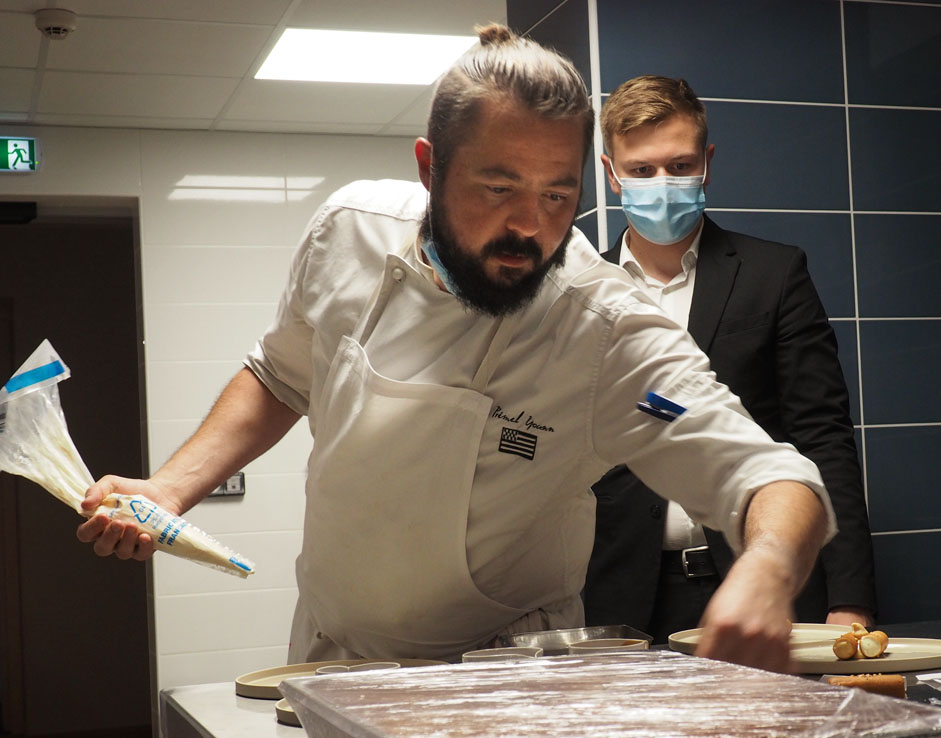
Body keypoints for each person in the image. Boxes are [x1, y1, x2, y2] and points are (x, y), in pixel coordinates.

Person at [75, 27, 836, 673]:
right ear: (429, 168)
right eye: (498, 188)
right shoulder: (349, 231)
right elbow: (281, 375)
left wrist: (768, 567)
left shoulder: (604, 333)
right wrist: (172, 487)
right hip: (331, 650)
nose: (529, 228)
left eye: (557, 195)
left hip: (500, 673)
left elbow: (772, 475)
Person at [585, 76, 876, 642]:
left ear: (707, 163)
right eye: (642, 170)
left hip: (758, 586)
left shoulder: (774, 276)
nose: (662, 184)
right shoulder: (582, 292)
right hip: (615, 596)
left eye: (680, 164)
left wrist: (849, 599)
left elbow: (823, 440)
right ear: (610, 170)